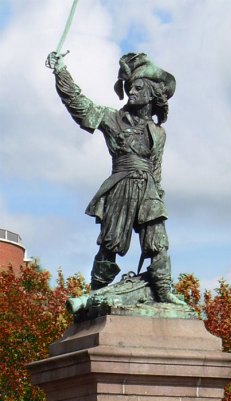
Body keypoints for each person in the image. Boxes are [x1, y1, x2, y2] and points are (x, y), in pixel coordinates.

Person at [46, 51, 182, 304]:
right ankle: (96, 292)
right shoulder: (112, 118)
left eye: (138, 88)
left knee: (159, 243)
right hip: (121, 186)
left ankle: (164, 291)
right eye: (130, 87)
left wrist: (157, 196)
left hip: (149, 190)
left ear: (152, 93)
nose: (131, 92)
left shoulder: (158, 133)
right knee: (110, 245)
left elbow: (156, 170)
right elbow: (79, 104)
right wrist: (61, 72)